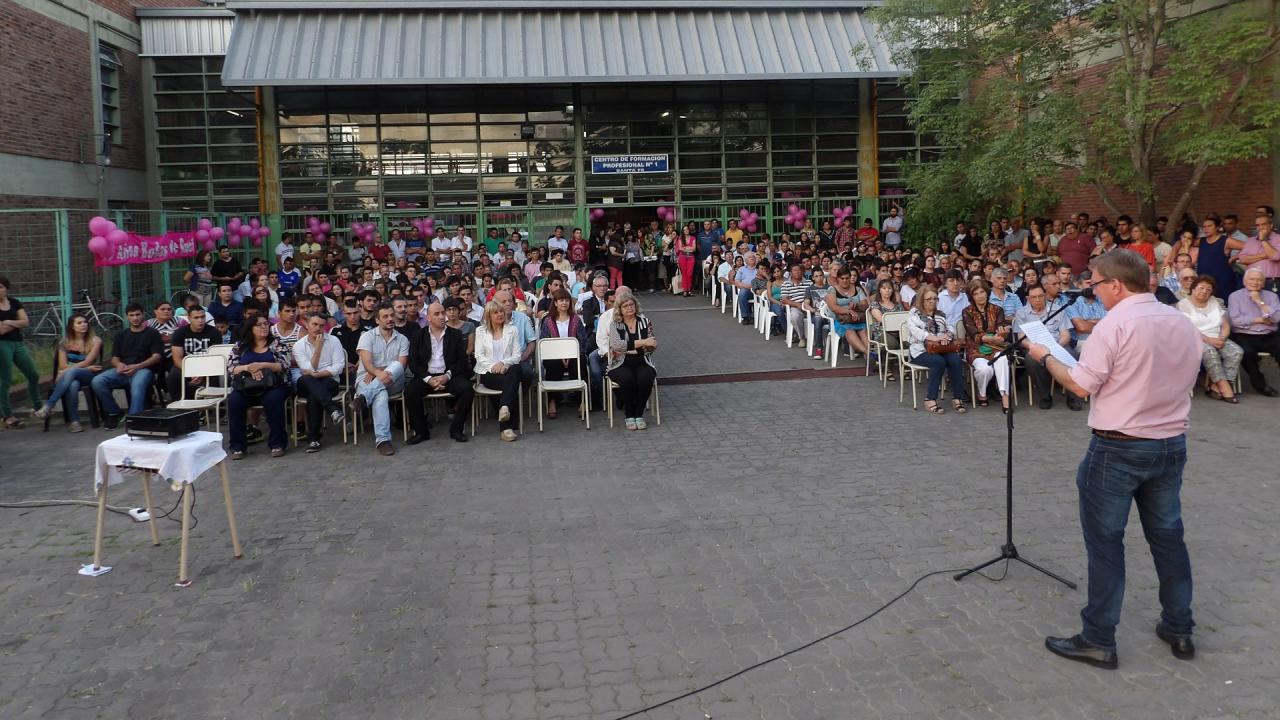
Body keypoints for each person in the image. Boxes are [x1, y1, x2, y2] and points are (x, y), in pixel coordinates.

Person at [1027, 249, 1202, 671]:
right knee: (1168, 537)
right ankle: (1179, 627)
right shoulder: (1181, 320)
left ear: (1116, 284)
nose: (1093, 291)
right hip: (1169, 443)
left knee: (1105, 543)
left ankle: (1098, 638)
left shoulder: (1114, 325)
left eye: (1095, 284)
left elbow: (1080, 385)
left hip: (1119, 446)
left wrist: (1044, 356)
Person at [404, 301, 473, 444]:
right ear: (428, 317)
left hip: (448, 375)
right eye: (437, 314)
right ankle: (421, 432)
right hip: (426, 376)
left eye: (443, 313)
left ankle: (457, 430)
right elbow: (414, 363)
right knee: (410, 392)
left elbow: (462, 362)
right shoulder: (418, 335)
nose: (442, 316)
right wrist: (428, 379)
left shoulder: (455, 334)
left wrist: (447, 376)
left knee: (467, 389)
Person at [227, 315, 292, 459]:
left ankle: (277, 444)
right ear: (251, 328)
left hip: (272, 385)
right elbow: (231, 368)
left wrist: (262, 365)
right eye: (259, 325)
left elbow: (284, 365)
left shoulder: (276, 343)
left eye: (266, 324)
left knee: (273, 400)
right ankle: (237, 447)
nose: (264, 327)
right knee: (234, 401)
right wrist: (249, 368)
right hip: (246, 385)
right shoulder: (240, 346)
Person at [90, 303, 163, 427]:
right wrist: (118, 365)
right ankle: (114, 412)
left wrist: (138, 366)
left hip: (144, 370)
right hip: (123, 370)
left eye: (138, 314)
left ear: (143, 315)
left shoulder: (152, 333)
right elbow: (114, 358)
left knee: (137, 384)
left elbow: (157, 356)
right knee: (97, 381)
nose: (135, 318)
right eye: (132, 315)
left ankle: (134, 418)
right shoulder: (121, 335)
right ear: (127, 317)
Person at [351, 303, 409, 455]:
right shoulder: (367, 337)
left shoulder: (402, 339)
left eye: (392, 315)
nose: (390, 319)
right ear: (377, 320)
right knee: (380, 395)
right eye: (385, 316)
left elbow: (402, 365)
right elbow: (367, 364)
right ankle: (383, 441)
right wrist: (378, 373)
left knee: (397, 365)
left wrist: (378, 372)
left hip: (394, 381)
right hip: (366, 379)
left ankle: (363, 398)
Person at [31, 314, 103, 432]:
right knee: (73, 384)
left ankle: (48, 406)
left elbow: (88, 362)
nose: (84, 325)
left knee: (72, 372)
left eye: (85, 322)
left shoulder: (96, 340)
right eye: (79, 323)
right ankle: (74, 422)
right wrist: (70, 370)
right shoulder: (64, 343)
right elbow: (63, 365)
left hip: (89, 374)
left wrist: (68, 371)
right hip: (71, 377)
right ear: (72, 327)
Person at [1014, 284, 1081, 410]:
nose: (1037, 300)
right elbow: (1021, 338)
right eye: (1034, 297)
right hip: (1035, 346)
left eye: (1040, 296)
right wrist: (1032, 347)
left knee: (1072, 355)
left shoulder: (1058, 309)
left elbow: (1065, 334)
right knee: (1031, 360)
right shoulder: (1021, 313)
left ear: (1045, 296)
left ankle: (1073, 396)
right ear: (1028, 298)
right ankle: (1045, 396)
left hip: (1058, 344)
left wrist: (1057, 347)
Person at [906, 285, 970, 414]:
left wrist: (947, 336)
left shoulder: (941, 314)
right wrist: (936, 338)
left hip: (941, 348)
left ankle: (957, 397)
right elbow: (917, 332)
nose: (932, 301)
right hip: (920, 350)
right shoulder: (914, 314)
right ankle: (930, 399)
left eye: (935, 299)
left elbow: (950, 328)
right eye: (929, 299)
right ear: (922, 300)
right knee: (938, 362)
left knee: (956, 360)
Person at [1176, 276, 1241, 403]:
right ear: (1193, 289)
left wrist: (1222, 338)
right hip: (1195, 339)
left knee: (1236, 351)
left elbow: (1225, 324)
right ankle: (1225, 387)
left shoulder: (1214, 301)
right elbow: (1188, 329)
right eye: (1201, 288)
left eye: (1208, 289)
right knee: (1209, 352)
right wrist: (1209, 340)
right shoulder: (1183, 304)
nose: (1204, 291)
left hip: (1218, 338)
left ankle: (1215, 386)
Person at [292, 312, 348, 453]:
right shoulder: (298, 346)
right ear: (307, 325)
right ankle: (333, 409)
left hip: (329, 381)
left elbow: (338, 367)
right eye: (314, 324)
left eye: (321, 326)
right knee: (306, 379)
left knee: (313, 396)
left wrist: (319, 374)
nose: (318, 328)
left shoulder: (334, 340)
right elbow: (308, 370)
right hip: (306, 383)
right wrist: (318, 348)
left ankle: (314, 439)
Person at [606, 291, 658, 430]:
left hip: (643, 360)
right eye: (625, 306)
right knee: (627, 379)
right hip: (620, 363)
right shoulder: (615, 325)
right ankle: (629, 413)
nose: (629, 308)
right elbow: (617, 346)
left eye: (631, 304)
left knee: (646, 377)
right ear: (620, 309)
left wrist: (633, 347)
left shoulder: (645, 322)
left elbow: (652, 345)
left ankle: (639, 414)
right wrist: (643, 342)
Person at [1226, 267, 1280, 396]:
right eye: (1252, 279)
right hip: (1244, 335)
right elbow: (1235, 321)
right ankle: (1260, 385)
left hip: (1269, 334)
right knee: (1247, 353)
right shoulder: (1235, 296)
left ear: (1263, 282)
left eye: (1259, 280)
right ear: (1244, 281)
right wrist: (1259, 319)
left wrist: (1259, 302)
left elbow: (1277, 318)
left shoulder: (1272, 296)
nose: (1255, 282)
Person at [473, 300, 522, 442]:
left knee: (516, 369)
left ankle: (504, 411)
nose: (500, 314)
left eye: (501, 311)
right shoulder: (480, 331)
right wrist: (493, 367)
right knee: (511, 383)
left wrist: (504, 363)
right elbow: (479, 356)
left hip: (507, 370)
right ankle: (506, 423)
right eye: (496, 312)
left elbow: (517, 355)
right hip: (488, 373)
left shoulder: (512, 330)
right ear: (488, 315)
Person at [961, 280, 1011, 411]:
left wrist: (1002, 334)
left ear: (987, 292)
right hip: (976, 349)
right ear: (971, 297)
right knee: (985, 370)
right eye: (976, 293)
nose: (980, 296)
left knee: (1003, 359)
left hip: (996, 347)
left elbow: (1001, 329)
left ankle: (1005, 396)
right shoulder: (967, 311)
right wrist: (992, 338)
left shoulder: (997, 310)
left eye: (982, 292)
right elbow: (974, 335)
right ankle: (982, 392)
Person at [0, 276, 42, 428]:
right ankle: (7, 415)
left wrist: (8, 322)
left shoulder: (14, 302)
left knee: (33, 374)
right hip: (2, 344)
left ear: (6, 288)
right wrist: (16, 323)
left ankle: (37, 407)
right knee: (5, 380)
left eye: (0, 287)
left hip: (18, 343)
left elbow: (26, 322)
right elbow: (1, 330)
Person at [165, 306, 222, 402]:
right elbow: (177, 358)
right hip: (186, 365)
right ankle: (179, 404)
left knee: (214, 376)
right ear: (189, 318)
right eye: (196, 317)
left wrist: (202, 373)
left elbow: (216, 358)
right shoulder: (180, 333)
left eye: (202, 317)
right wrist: (191, 372)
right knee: (173, 376)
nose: (200, 320)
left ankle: (212, 405)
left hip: (208, 365)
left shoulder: (214, 332)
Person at [825, 265, 871, 361]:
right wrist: (849, 311)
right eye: (842, 278)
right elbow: (833, 307)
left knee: (863, 330)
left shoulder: (857, 289)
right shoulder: (832, 289)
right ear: (838, 278)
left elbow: (865, 305)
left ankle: (869, 356)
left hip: (857, 319)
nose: (845, 280)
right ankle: (869, 353)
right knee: (849, 330)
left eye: (847, 278)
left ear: (850, 278)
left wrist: (856, 305)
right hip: (839, 320)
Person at [1237, 214, 1280, 293]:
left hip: (1271, 281)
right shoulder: (1250, 240)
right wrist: (1264, 255)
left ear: (1271, 225)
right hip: (1251, 282)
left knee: (1272, 301)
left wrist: (1263, 240)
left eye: (1263, 224)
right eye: (1258, 225)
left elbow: (1275, 256)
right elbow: (1243, 259)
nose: (1260, 227)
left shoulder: (1278, 239)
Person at [675, 229, 697, 296]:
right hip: (682, 257)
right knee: (684, 274)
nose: (686, 231)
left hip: (691, 257)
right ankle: (685, 290)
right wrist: (689, 248)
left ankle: (689, 289)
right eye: (684, 230)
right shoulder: (680, 238)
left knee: (689, 274)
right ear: (683, 231)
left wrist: (685, 248)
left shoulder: (693, 238)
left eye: (687, 229)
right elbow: (680, 248)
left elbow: (694, 249)